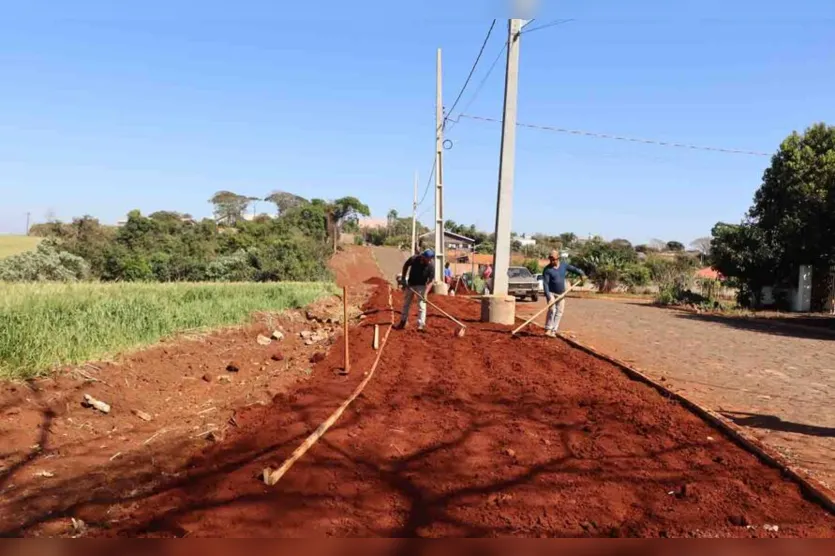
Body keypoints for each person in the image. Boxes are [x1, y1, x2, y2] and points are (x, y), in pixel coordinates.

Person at [542, 250, 585, 337]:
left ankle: (554, 330)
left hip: (561, 293)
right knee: (552, 309)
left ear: (558, 258)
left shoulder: (564, 265)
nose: (552, 261)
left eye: (553, 259)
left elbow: (574, 269)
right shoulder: (547, 270)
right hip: (551, 293)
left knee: (559, 312)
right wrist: (548, 297)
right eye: (550, 259)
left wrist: (581, 274)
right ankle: (548, 329)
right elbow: (545, 284)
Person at [397, 249, 435, 331]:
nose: (430, 261)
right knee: (406, 303)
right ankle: (403, 321)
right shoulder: (414, 259)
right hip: (410, 284)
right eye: (428, 259)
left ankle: (421, 325)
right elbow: (406, 266)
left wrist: (425, 293)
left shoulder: (431, 266)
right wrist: (403, 278)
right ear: (423, 257)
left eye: (431, 259)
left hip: (421, 286)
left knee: (422, 305)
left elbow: (431, 281)